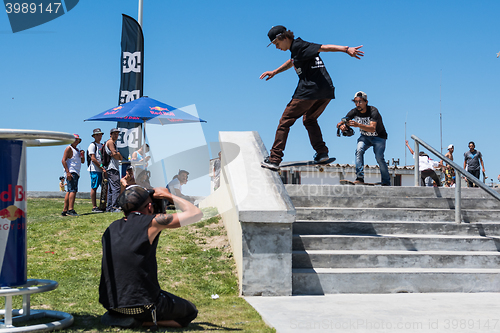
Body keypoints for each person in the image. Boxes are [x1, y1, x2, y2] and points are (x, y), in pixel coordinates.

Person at [259, 25, 364, 171]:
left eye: (277, 44)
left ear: (283, 37)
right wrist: (275, 72)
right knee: (309, 119)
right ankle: (322, 153)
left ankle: (274, 159)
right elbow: (292, 62)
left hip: (308, 92)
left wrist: (346, 49)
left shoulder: (300, 45)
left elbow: (324, 47)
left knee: (284, 122)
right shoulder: (297, 51)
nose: (277, 48)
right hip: (325, 91)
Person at [99, 185, 203, 328]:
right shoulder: (151, 222)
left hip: (111, 304)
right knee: (190, 311)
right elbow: (195, 213)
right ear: (149, 207)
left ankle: (119, 317)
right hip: (143, 306)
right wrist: (168, 196)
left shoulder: (111, 228)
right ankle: (142, 322)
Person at [338, 91, 390, 186]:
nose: (358, 104)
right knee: (359, 150)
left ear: (366, 102)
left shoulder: (373, 111)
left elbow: (372, 128)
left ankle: (386, 182)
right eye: (356, 102)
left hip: (378, 137)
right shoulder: (353, 111)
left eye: (360, 102)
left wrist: (358, 125)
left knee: (379, 158)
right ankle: (360, 177)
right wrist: (341, 126)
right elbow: (341, 121)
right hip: (365, 137)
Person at [61, 134, 85, 216]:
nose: (76, 141)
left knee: (69, 190)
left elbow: (82, 161)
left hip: (76, 171)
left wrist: (82, 155)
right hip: (72, 171)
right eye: (74, 139)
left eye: (77, 140)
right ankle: (70, 209)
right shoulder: (69, 148)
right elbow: (63, 160)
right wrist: (67, 172)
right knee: (73, 190)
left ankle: (65, 210)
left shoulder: (77, 150)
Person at [105, 128, 124, 212]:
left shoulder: (112, 143)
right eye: (114, 134)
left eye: (117, 134)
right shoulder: (110, 142)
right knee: (116, 188)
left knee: (111, 189)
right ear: (110, 134)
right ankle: (114, 207)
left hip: (111, 168)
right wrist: (118, 155)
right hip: (112, 167)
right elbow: (115, 155)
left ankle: (109, 207)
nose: (116, 135)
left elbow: (119, 157)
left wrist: (118, 155)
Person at [88, 128, 106, 212]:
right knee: (94, 187)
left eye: (101, 134)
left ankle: (102, 205)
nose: (100, 136)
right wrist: (101, 167)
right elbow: (93, 159)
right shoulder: (92, 145)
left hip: (101, 169)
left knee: (104, 187)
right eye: (98, 135)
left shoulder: (102, 145)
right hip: (95, 169)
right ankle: (94, 206)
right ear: (94, 136)